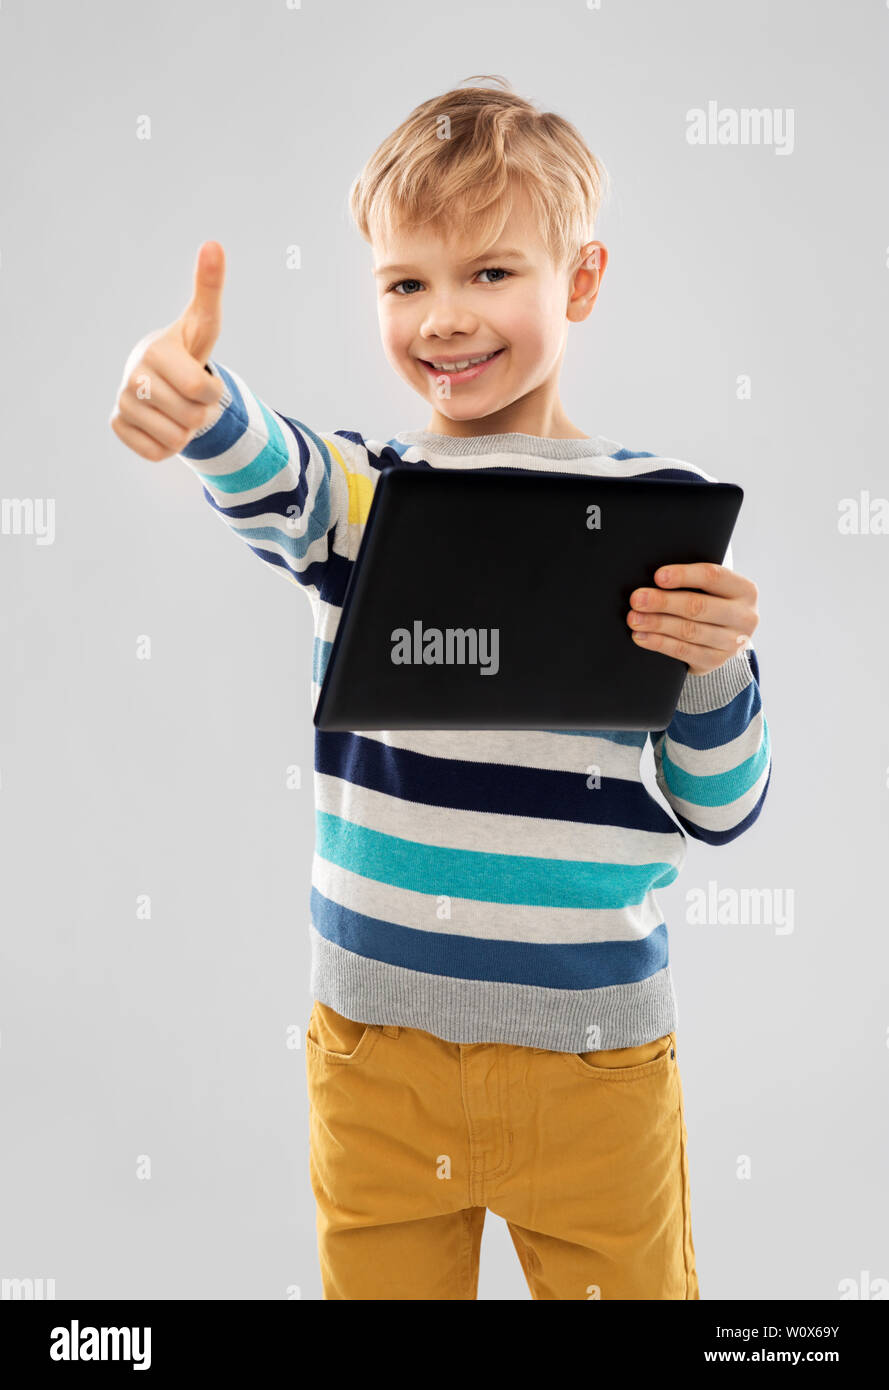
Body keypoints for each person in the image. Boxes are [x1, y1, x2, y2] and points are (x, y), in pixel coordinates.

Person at [109, 76, 770, 1300]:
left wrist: (715, 661)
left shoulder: (660, 522)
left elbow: (722, 807)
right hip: (374, 1063)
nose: (444, 318)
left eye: (490, 274)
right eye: (406, 282)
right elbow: (280, 470)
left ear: (578, 281)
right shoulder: (368, 498)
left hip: (595, 1067)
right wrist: (203, 408)